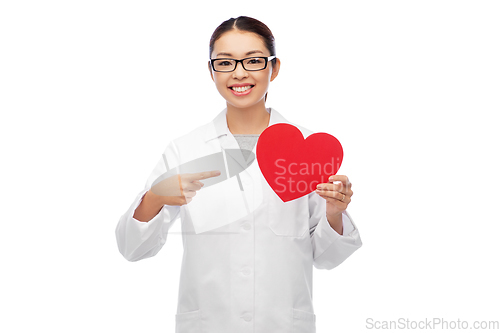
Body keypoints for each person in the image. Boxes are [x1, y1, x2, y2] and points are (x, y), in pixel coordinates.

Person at [115, 16, 362, 333]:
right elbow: (133, 249)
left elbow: (327, 258)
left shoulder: (309, 150)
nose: (239, 73)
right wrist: (155, 197)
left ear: (274, 68)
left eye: (253, 60)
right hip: (209, 323)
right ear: (211, 71)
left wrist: (335, 212)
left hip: (283, 324)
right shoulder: (186, 149)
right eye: (225, 63)